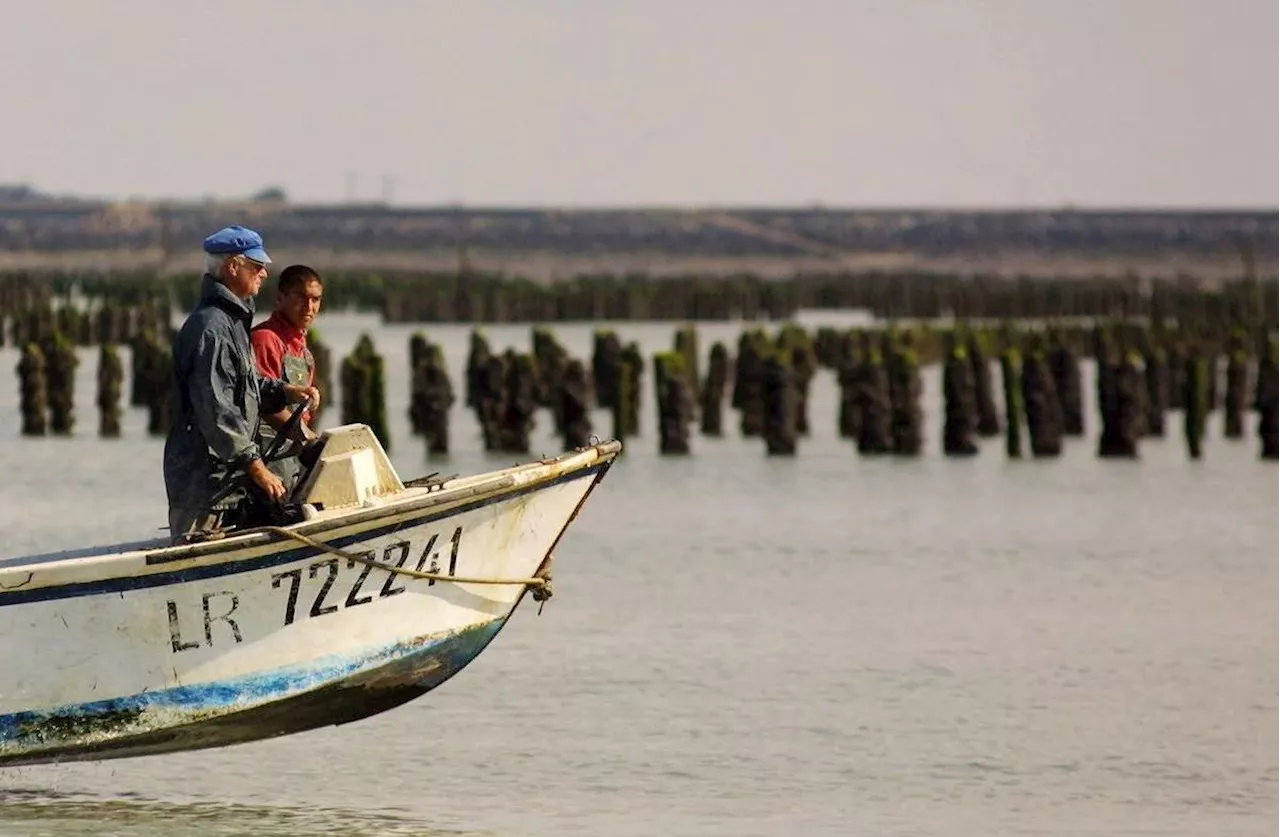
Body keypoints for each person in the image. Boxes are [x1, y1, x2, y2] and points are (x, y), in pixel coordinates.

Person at [163, 225, 320, 544]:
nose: (264, 274)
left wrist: (284, 391)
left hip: (229, 484)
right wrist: (258, 469)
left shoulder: (231, 322)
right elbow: (218, 414)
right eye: (257, 266)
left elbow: (245, 386)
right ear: (233, 266)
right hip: (206, 486)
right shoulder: (212, 329)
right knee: (197, 567)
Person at [250, 264, 324, 492]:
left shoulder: (304, 351)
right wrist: (312, 441)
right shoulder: (264, 340)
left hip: (293, 462)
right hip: (266, 462)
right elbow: (263, 403)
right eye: (301, 298)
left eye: (315, 299)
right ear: (280, 298)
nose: (309, 307)